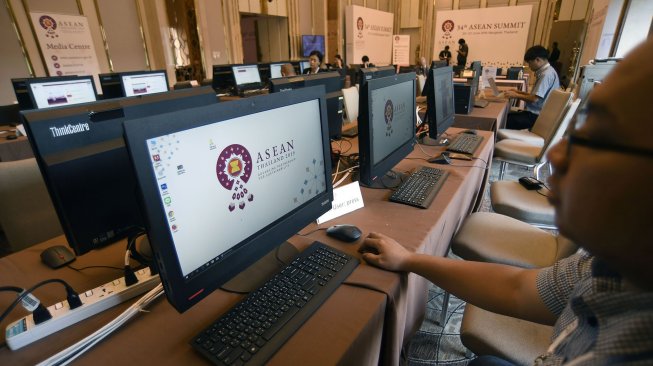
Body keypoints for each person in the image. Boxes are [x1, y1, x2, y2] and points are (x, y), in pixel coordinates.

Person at [359, 38, 653, 365]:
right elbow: (519, 289)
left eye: (596, 138)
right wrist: (410, 260)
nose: (555, 153)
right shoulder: (613, 268)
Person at [504, 45, 560, 130]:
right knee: (506, 115)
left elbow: (534, 99)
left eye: (529, 63)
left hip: (536, 117)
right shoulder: (549, 71)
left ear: (537, 60)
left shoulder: (546, 75)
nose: (529, 66)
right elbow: (536, 95)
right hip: (539, 114)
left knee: (504, 119)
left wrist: (515, 95)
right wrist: (518, 92)